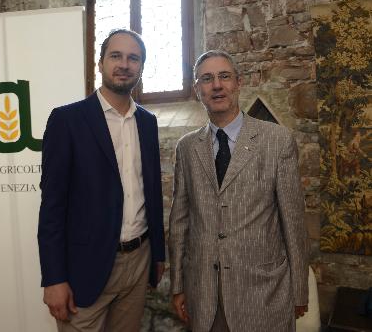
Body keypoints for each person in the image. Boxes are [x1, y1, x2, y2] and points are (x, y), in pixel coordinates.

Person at [168, 50, 309, 332]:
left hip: (265, 295)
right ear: (197, 90)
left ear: (238, 82)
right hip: (206, 297)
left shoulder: (276, 141)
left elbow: (293, 223)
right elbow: (180, 222)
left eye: (224, 76)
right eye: (206, 79)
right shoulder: (186, 148)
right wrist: (178, 285)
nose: (216, 85)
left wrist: (299, 291)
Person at [38, 29, 165, 332]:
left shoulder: (147, 123)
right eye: (116, 56)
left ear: (141, 67)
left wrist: (158, 254)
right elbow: (52, 207)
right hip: (85, 266)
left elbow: (153, 193)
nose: (124, 64)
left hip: (138, 261)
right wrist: (54, 278)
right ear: (100, 63)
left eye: (133, 58)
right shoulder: (67, 121)